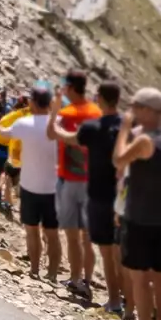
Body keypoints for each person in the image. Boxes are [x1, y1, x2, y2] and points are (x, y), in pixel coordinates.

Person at [113, 87, 161, 320]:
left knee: (140, 275)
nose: (132, 112)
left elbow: (119, 160)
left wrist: (123, 130)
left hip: (141, 215)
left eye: (135, 107)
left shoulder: (144, 140)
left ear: (148, 111)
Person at [52, 80, 126, 314]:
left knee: (106, 250)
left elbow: (65, 137)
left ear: (101, 98)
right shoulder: (127, 126)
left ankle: (114, 301)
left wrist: (54, 116)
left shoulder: (93, 127)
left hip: (100, 193)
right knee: (119, 252)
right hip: (124, 196)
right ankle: (129, 303)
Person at [2, 85, 61, 281]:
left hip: (29, 186)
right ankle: (52, 274)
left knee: (32, 231)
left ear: (32, 102)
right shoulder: (58, 124)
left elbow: (3, 132)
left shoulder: (24, 124)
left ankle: (34, 270)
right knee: (53, 234)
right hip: (53, 188)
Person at [54, 70, 100, 300]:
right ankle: (87, 280)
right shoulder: (96, 112)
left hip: (70, 178)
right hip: (92, 180)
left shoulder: (66, 112)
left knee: (73, 235)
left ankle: (75, 278)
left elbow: (51, 133)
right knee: (87, 236)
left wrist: (55, 105)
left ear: (70, 88)